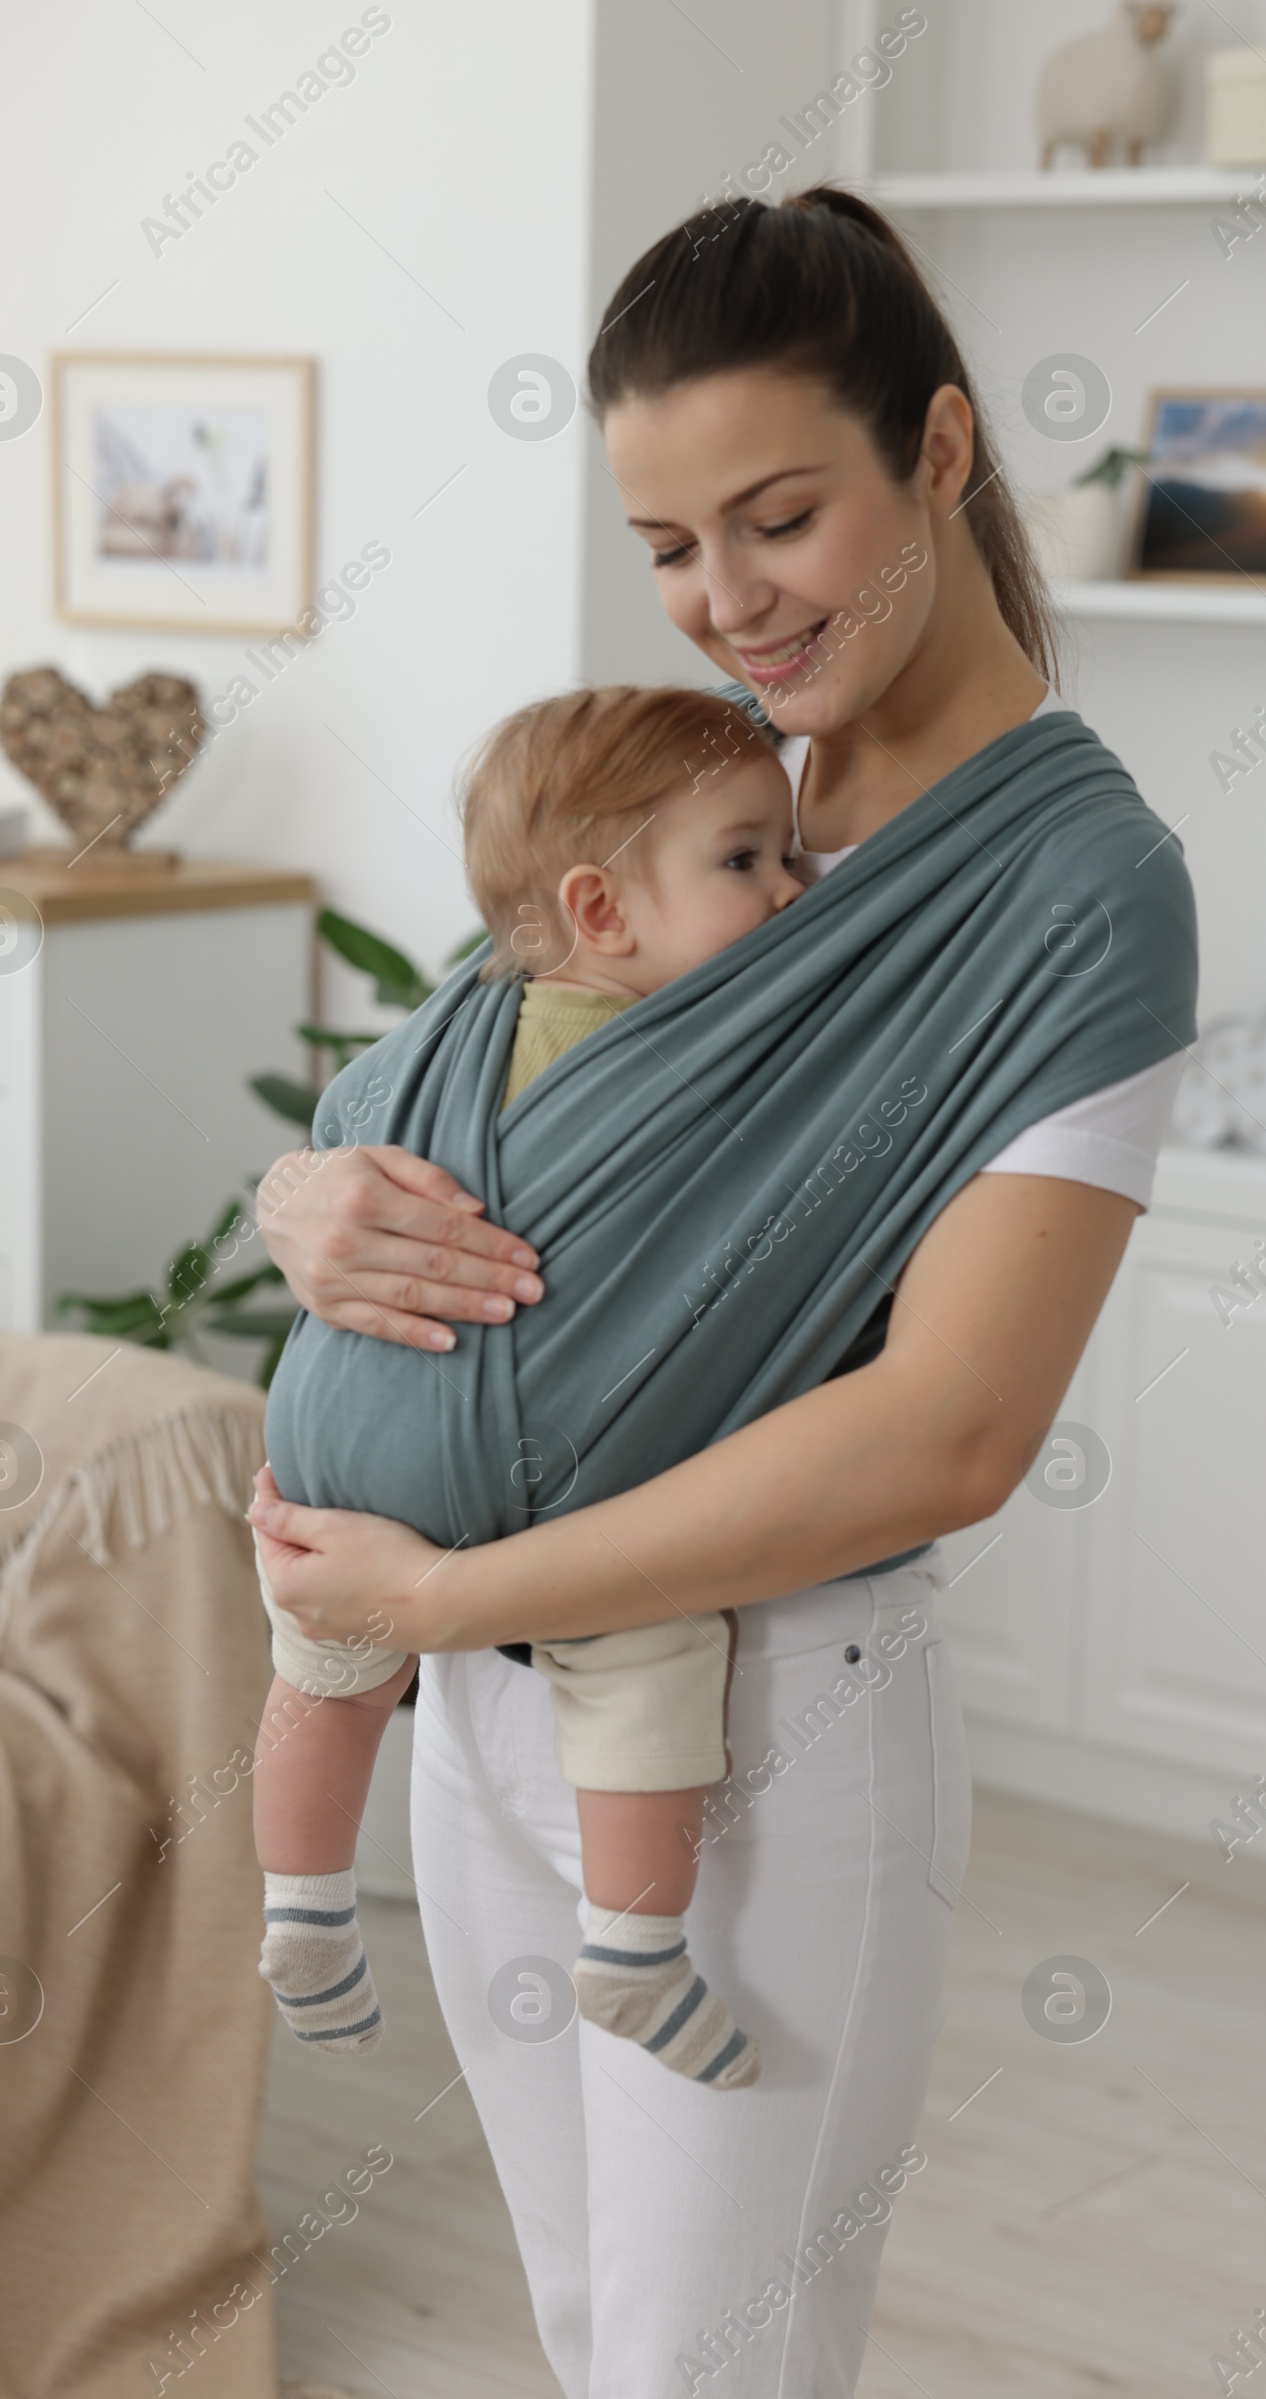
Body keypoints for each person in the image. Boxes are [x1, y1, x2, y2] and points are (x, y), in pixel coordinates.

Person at [251, 187, 1197, 2399]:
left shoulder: (1075, 886)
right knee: (595, 2336)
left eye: (776, 518)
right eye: (670, 546)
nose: (725, 602)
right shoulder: (694, 789)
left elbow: (949, 1431)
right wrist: (306, 1194)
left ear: (937, 453)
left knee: (710, 2368)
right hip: (480, 1689)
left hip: (751, 1723)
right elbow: (488, 1074)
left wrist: (424, 1610)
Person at [254, 683, 801, 2088]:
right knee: (647, 1647)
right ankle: (634, 1952)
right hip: (530, 1474)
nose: (795, 889)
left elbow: (343, 1135)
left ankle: (304, 1906)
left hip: (336, 1442)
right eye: (747, 860)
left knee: (324, 1668)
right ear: (604, 915)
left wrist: (301, 1190)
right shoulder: (710, 1051)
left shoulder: (452, 1026)